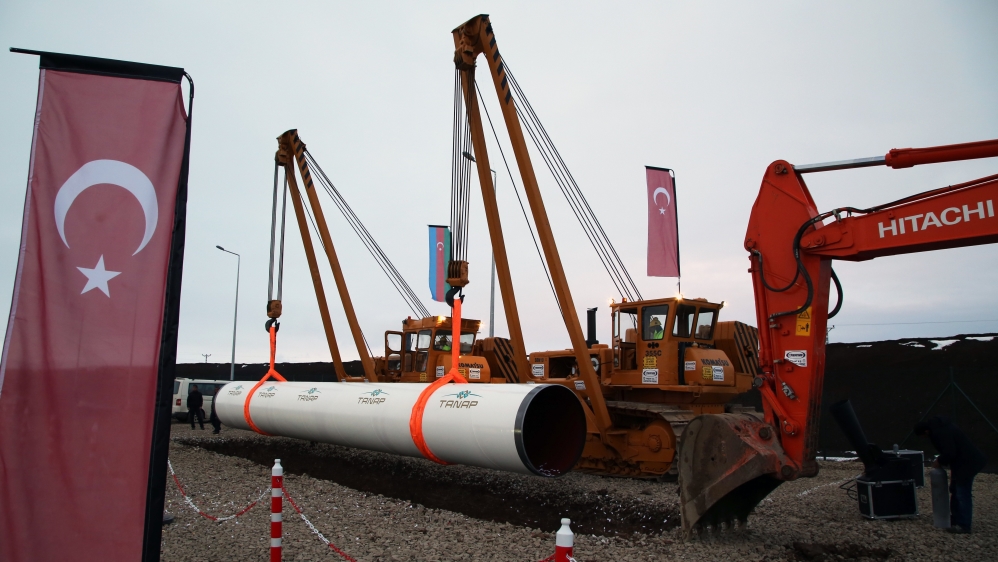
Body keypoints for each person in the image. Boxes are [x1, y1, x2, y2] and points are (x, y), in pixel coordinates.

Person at [914, 416, 987, 533]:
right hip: (965, 462)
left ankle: (964, 525)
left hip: (967, 463)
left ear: (926, 431)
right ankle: (956, 519)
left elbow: (950, 452)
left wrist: (940, 461)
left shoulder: (939, 433)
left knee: (962, 492)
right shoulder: (943, 428)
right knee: (956, 489)